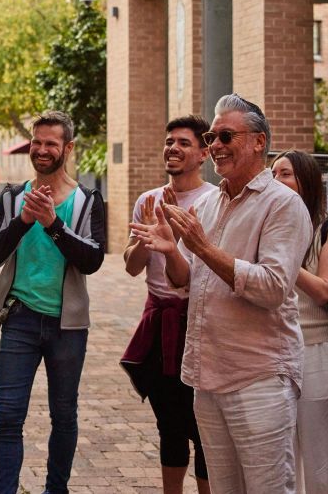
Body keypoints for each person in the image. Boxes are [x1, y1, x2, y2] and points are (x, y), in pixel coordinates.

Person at [131, 94, 311, 493]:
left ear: (259, 142)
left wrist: (201, 248)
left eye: (226, 135)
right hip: (207, 377)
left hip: (258, 378)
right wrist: (169, 248)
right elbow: (195, 283)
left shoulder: (283, 205)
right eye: (212, 136)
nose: (215, 145)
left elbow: (274, 287)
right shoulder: (212, 204)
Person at [0, 110, 106, 494]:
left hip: (66, 327)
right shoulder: (13, 196)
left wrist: (53, 224)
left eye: (51, 143)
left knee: (64, 415)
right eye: (37, 142)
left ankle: (57, 489)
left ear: (67, 148)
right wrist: (22, 220)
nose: (42, 149)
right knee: (7, 417)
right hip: (19, 318)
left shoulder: (88, 201)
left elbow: (93, 260)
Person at [121, 115, 214, 494]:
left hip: (199, 323)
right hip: (159, 323)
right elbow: (130, 267)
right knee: (169, 422)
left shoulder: (213, 202)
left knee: (203, 426)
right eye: (170, 141)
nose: (173, 148)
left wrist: (173, 239)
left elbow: (186, 278)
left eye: (184, 143)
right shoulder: (149, 200)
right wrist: (147, 240)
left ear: (204, 153)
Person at [271, 150, 328, 493]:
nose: (277, 180)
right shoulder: (272, 228)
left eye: (286, 174)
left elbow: (324, 290)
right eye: (273, 174)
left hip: (320, 351)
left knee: (326, 457)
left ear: (306, 182)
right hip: (277, 351)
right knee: (282, 456)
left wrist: (285, 262)